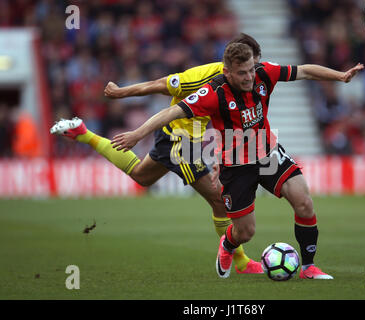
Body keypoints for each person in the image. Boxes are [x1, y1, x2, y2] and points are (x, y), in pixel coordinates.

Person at [110, 42, 364, 279]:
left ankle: (308, 267)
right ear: (228, 72)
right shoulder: (212, 92)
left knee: (304, 201)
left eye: (251, 70)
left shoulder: (264, 73)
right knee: (246, 232)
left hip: (266, 152)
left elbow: (305, 71)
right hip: (235, 164)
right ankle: (228, 243)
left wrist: (340, 76)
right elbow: (171, 112)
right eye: (242, 73)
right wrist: (137, 134)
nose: (249, 77)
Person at [50, 34, 264, 275]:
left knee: (142, 176)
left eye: (254, 67)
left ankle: (83, 133)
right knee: (218, 200)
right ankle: (242, 262)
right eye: (249, 67)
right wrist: (122, 93)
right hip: (180, 141)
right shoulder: (203, 77)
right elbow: (161, 84)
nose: (253, 74)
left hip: (186, 137)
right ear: (232, 66)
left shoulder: (246, 82)